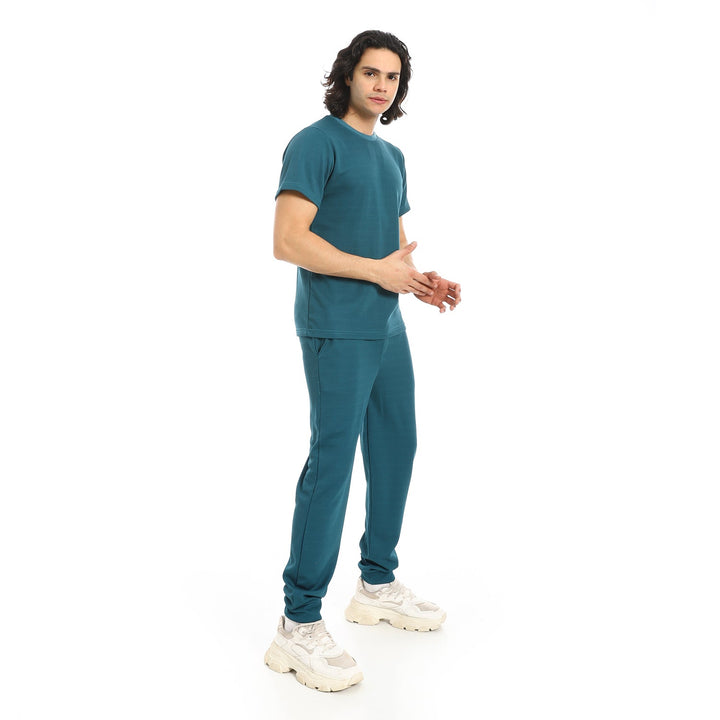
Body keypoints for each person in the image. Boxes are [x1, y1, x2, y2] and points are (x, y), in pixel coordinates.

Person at [264, 30, 461, 692]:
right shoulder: (314, 143)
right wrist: (377, 273)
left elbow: (391, 250)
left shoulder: (392, 155)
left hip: (386, 327)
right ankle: (297, 622)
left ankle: (376, 583)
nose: (381, 85)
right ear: (348, 75)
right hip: (335, 329)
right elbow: (288, 241)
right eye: (371, 72)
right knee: (333, 464)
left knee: (397, 447)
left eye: (392, 77)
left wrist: (421, 281)